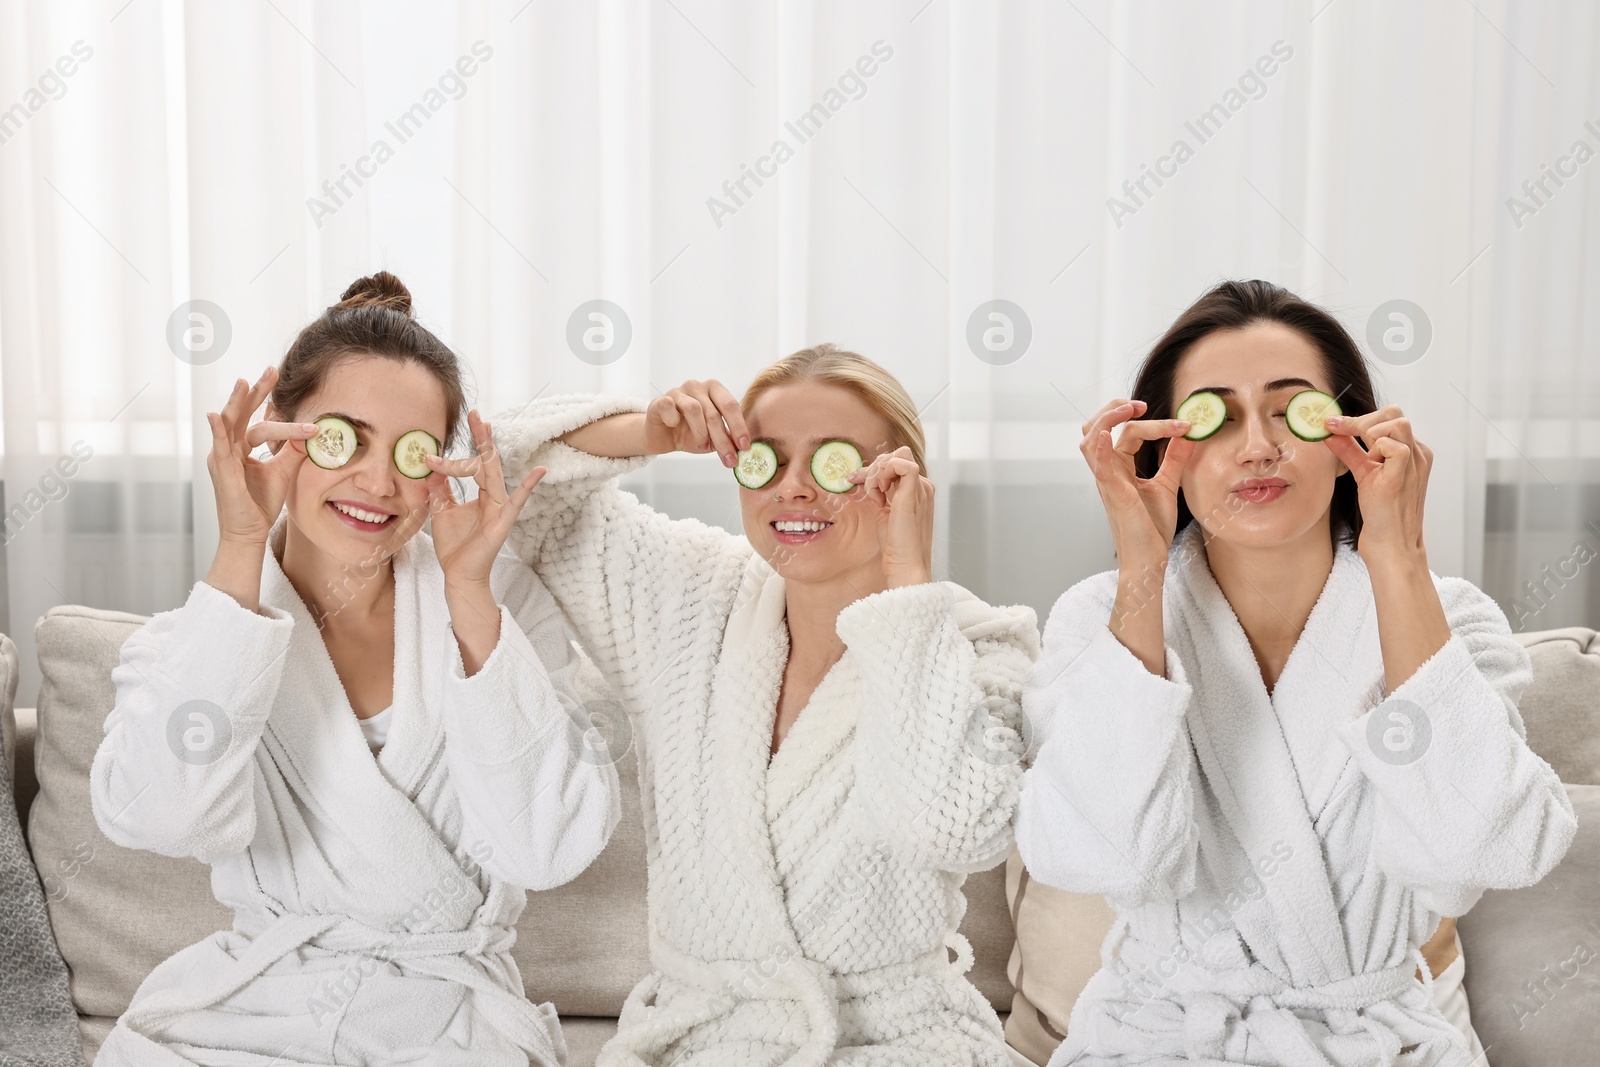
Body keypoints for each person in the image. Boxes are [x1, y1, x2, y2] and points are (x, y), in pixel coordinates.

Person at [1015, 279, 1576, 1066]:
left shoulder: (1449, 617)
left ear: (1348, 437)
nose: (1257, 446)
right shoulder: (1097, 617)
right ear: (1160, 446)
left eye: (1291, 410)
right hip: (1158, 1040)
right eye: (1217, 414)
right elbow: (1106, 855)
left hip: (1375, 1041)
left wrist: (1398, 560)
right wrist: (1141, 565)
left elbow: (1478, 852)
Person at [89, 272, 619, 1066]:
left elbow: (545, 849)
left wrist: (471, 593)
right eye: (345, 437)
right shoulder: (189, 642)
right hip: (248, 1014)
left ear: (442, 467)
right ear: (279, 439)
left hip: (448, 1018)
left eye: (412, 452)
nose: (378, 481)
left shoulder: (502, 608)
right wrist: (240, 547)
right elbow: (160, 817)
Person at [485, 344, 1039, 1065]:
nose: (795, 488)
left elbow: (954, 829)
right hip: (702, 1038)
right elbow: (499, 479)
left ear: (903, 482)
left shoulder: (983, 645)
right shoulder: (688, 598)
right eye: (767, 460)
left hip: (901, 1041)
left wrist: (909, 592)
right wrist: (650, 432)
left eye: (835, 461)